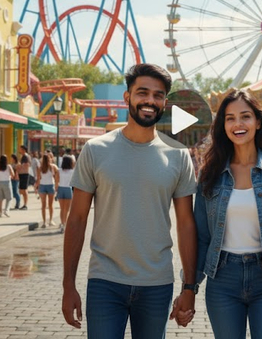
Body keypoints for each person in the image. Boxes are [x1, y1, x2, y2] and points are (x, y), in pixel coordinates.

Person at [62, 63, 198, 338]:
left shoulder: (178, 154)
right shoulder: (95, 150)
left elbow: (186, 224)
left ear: (165, 102)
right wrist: (68, 285)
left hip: (156, 283)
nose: (150, 101)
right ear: (127, 97)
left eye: (158, 95)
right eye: (142, 93)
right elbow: (76, 219)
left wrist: (189, 288)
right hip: (105, 281)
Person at [189, 89, 262, 338]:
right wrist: (189, 288)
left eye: (245, 116)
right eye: (230, 118)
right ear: (223, 126)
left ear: (257, 122)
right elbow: (201, 237)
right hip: (222, 279)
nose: (238, 124)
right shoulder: (209, 174)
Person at [37, 152, 58, 228]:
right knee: (50, 205)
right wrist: (56, 186)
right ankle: (51, 220)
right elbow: (56, 177)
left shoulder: (40, 168)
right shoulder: (53, 167)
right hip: (50, 185)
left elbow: (38, 178)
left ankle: (44, 222)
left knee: (43, 205)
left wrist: (37, 187)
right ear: (49, 159)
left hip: (42, 186)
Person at [57, 156, 75, 233]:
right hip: (68, 189)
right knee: (67, 210)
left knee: (62, 208)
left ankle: (62, 223)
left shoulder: (59, 170)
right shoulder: (72, 171)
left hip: (61, 188)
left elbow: (57, 181)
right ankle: (65, 224)